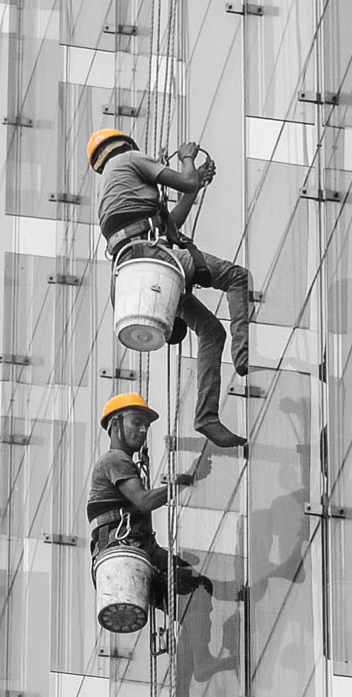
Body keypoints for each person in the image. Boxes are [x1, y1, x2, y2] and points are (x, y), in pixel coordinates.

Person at [88, 128, 253, 449]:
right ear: (125, 145)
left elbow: (171, 223)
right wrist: (188, 158)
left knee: (211, 331)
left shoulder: (115, 188)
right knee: (236, 278)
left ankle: (207, 417)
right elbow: (186, 182)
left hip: (140, 274)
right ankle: (243, 353)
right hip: (154, 260)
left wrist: (195, 182)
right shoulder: (130, 159)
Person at [87, 393, 211, 614]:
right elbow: (144, 502)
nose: (143, 430)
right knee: (198, 589)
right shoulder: (115, 459)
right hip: (126, 552)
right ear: (115, 425)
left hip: (129, 554)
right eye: (136, 422)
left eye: (146, 425)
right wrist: (183, 481)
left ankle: (188, 630)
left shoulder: (121, 463)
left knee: (193, 592)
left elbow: (133, 508)